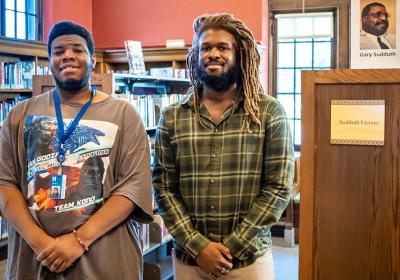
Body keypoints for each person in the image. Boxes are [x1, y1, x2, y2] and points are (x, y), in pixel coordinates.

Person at [0, 21, 153, 279]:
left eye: (77, 50)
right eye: (58, 51)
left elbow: (133, 188)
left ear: (93, 61)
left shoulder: (125, 114)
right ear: (49, 61)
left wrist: (77, 241)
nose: (67, 55)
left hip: (105, 260)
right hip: (35, 259)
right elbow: (5, 182)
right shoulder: (18, 116)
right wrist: (40, 242)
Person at [153, 13, 295, 280]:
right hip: (189, 261)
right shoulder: (172, 116)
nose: (213, 54)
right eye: (205, 48)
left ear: (239, 54)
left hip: (249, 261)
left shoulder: (268, 112)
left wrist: (230, 248)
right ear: (195, 55)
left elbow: (278, 188)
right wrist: (199, 248)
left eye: (223, 47)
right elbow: (164, 189)